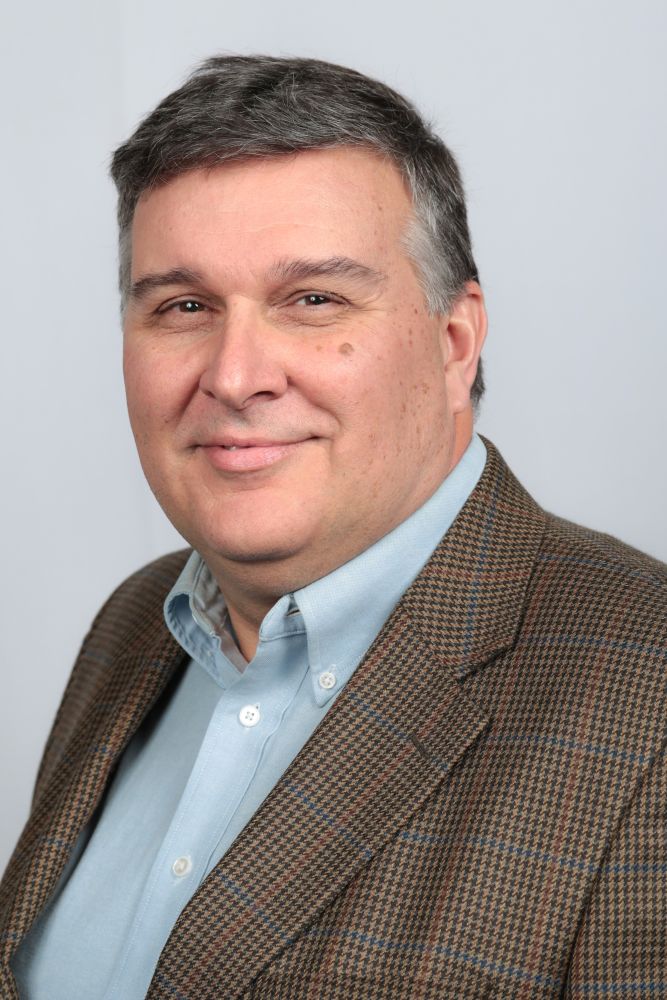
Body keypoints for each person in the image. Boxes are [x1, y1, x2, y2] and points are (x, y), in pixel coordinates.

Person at [0, 55, 665, 1000]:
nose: (235, 376)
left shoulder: (647, 695)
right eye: (183, 307)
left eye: (313, 300)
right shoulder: (133, 625)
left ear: (454, 342)